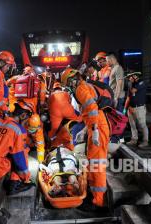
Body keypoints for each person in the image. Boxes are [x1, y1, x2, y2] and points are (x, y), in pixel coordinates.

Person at [60, 68, 110, 211]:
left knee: (97, 165)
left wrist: (94, 131)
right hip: (96, 125)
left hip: (98, 127)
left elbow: (93, 109)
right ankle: (93, 195)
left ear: (71, 81)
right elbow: (90, 111)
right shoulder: (84, 86)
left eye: (68, 84)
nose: (69, 86)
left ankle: (98, 202)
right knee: (93, 162)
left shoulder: (80, 89)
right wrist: (85, 129)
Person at [126, 72, 149, 148]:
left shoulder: (141, 82)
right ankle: (134, 139)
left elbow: (133, 91)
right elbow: (129, 97)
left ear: (135, 76)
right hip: (131, 108)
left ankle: (145, 141)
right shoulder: (131, 84)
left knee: (142, 124)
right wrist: (128, 107)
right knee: (132, 125)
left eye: (130, 77)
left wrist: (130, 84)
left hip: (139, 108)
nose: (129, 79)